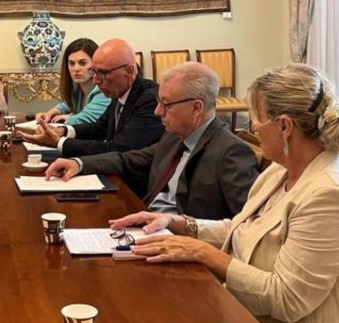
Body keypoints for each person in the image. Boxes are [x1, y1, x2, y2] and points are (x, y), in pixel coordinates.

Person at [110, 64, 339, 323]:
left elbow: (287, 299)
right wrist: (177, 223)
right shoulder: (280, 169)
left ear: (284, 126)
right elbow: (242, 227)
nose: (252, 127)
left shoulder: (327, 195)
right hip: (237, 307)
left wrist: (204, 253)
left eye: (256, 118)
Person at [45, 62, 259, 219]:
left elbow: (246, 225)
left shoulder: (230, 151)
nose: (157, 111)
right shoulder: (174, 137)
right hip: (146, 223)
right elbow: (128, 159)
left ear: (196, 108)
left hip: (182, 245)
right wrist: (79, 164)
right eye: (158, 102)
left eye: (166, 104)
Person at [20, 38, 164, 157]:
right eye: (94, 72)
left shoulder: (150, 99)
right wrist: (64, 131)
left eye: (103, 73)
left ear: (129, 71)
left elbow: (117, 148)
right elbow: (99, 128)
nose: (95, 80)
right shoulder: (119, 89)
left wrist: (59, 143)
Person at [36, 38, 110, 125]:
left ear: (95, 64)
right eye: (72, 63)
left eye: (82, 63)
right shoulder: (78, 89)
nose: (76, 69)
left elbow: (85, 119)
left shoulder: (104, 90)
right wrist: (49, 113)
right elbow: (67, 105)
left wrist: (69, 117)